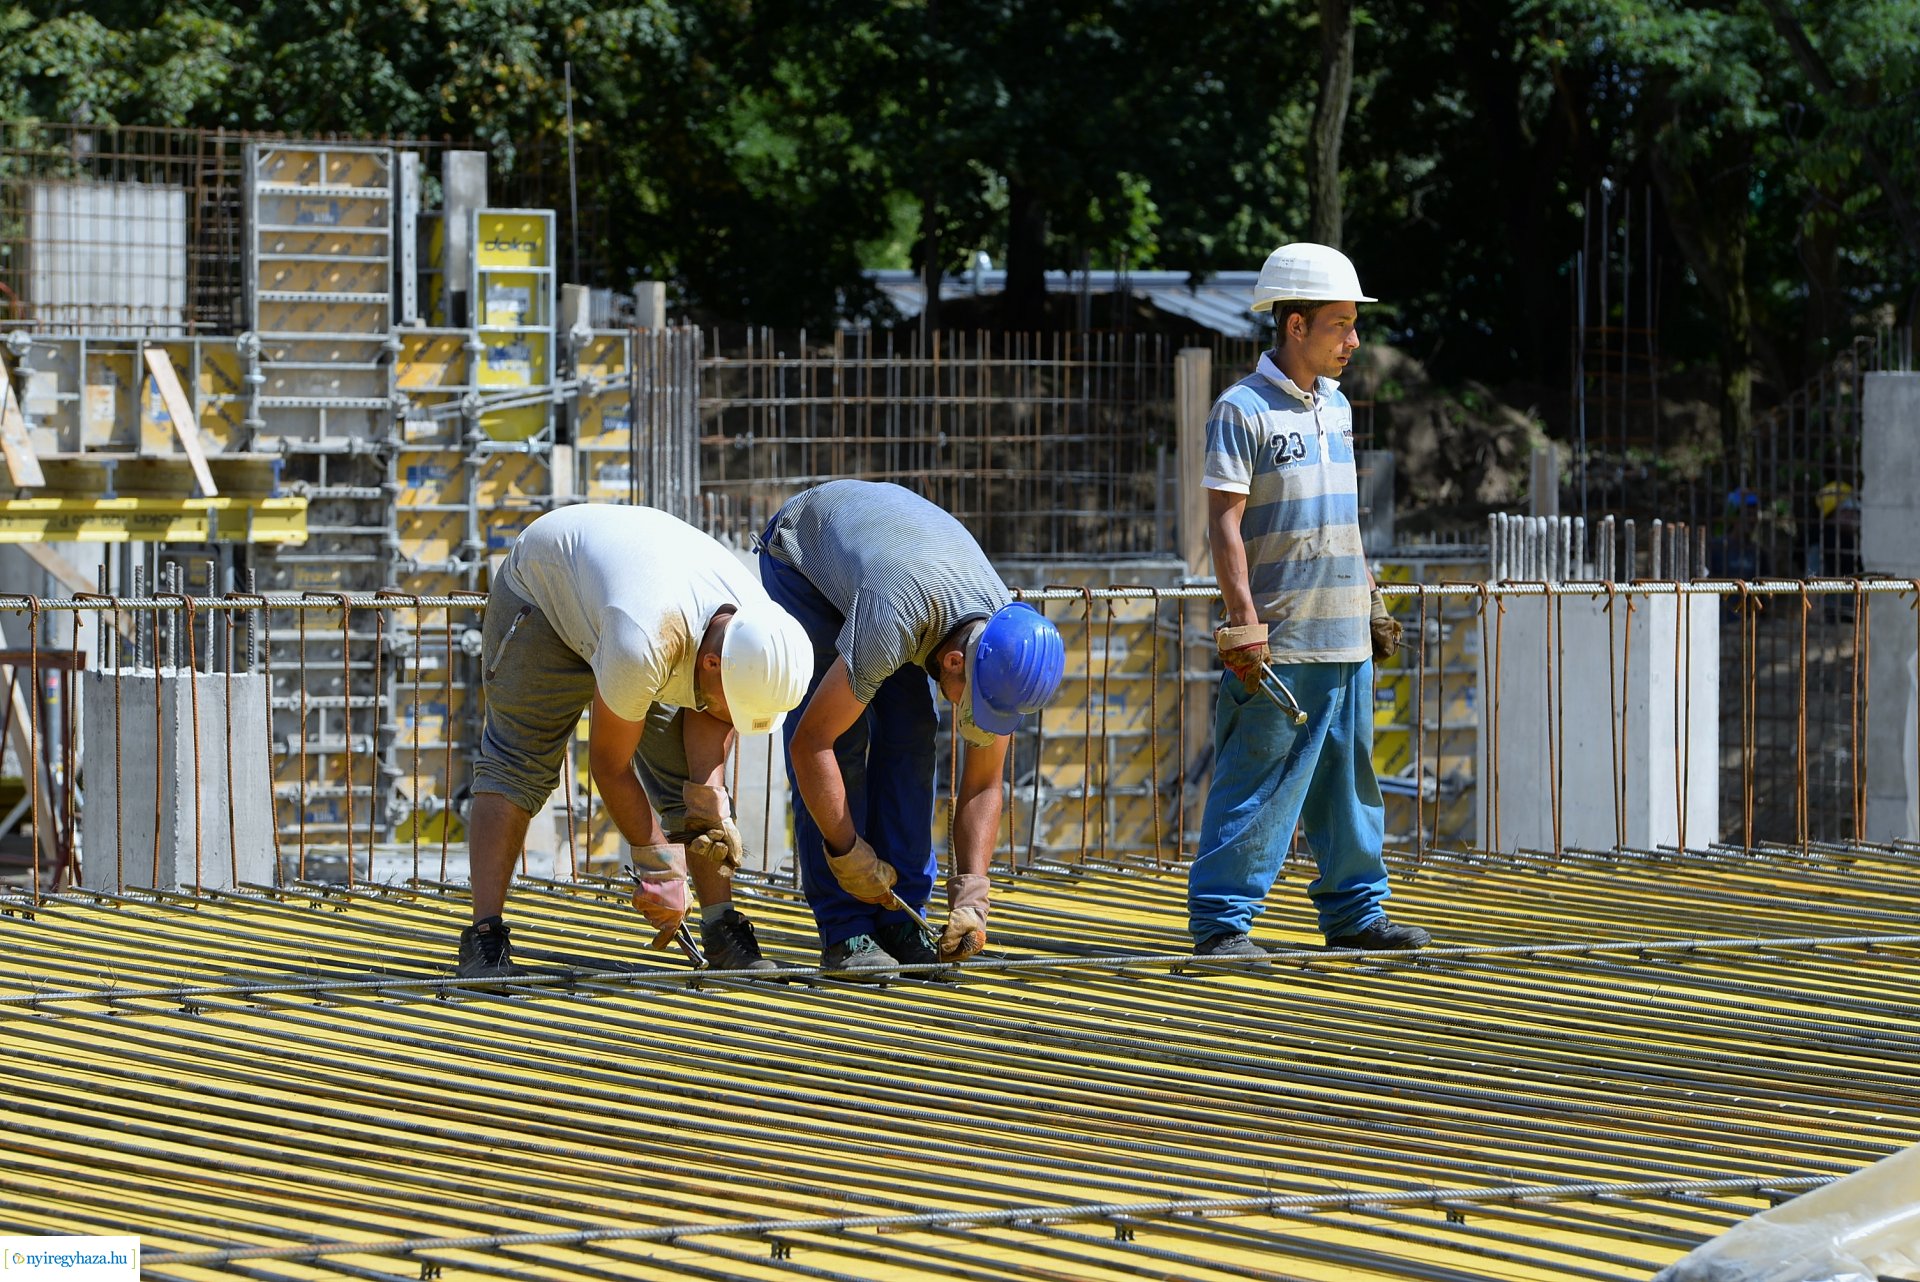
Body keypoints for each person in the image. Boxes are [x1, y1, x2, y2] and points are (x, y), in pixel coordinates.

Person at [1187, 242, 1432, 960]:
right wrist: (1244, 623)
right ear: (1294, 326)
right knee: (1256, 780)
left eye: (1354, 325)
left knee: (1350, 782)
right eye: (1339, 325)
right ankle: (1222, 925)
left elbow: (1343, 521)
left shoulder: (1338, 405)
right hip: (1282, 640)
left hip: (1343, 634)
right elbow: (1223, 523)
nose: (1353, 341)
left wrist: (1372, 599)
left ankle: (1357, 916)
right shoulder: (1241, 410)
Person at [457, 503, 811, 978]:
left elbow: (715, 718)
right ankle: (484, 939)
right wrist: (658, 862)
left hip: (629, 593)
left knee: (691, 785)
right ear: (710, 666)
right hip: (544, 597)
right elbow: (609, 765)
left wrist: (710, 803)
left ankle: (722, 928)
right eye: (734, 706)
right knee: (516, 764)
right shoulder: (645, 640)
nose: (731, 719)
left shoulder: (757, 631)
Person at [757, 480, 1066, 980]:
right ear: (952, 661)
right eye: (973, 701)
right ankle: (846, 928)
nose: (974, 714)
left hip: (894, 569)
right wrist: (846, 852)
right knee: (845, 738)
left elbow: (985, 780)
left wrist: (973, 895)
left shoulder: (1003, 651)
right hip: (806, 561)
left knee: (912, 732)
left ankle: (902, 917)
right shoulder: (892, 621)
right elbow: (813, 745)